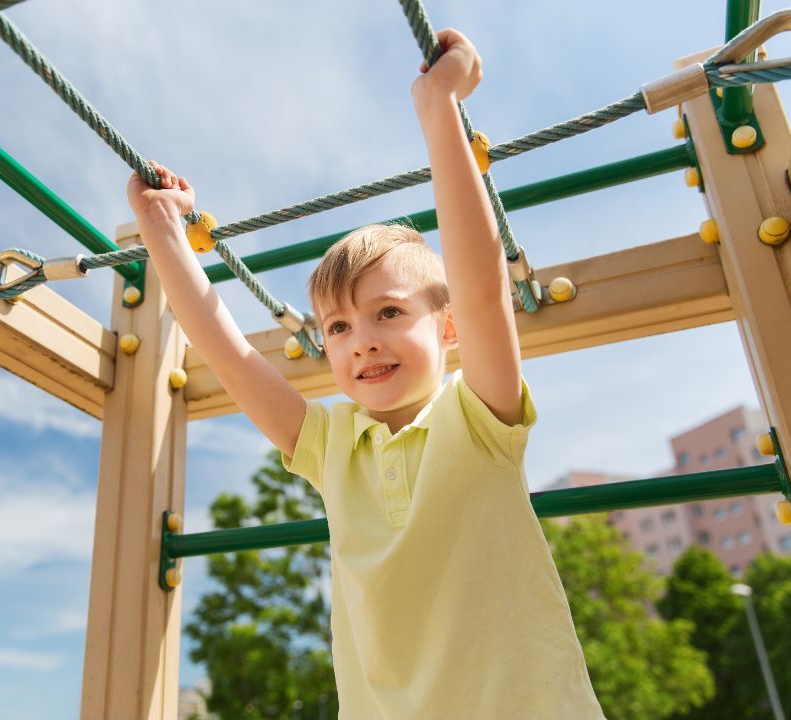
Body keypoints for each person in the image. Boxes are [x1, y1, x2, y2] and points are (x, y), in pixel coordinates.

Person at [127, 27, 604, 720]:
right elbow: (230, 354)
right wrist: (160, 228)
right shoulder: (329, 445)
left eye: (387, 312)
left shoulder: (479, 420)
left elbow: (479, 289)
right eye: (340, 328)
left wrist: (439, 106)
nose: (362, 343)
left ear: (445, 330)